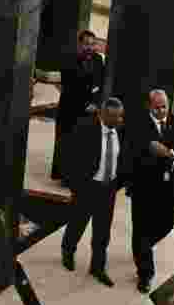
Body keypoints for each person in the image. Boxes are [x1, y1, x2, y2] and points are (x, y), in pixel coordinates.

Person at [129, 89, 174, 292]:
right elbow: (132, 149)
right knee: (141, 228)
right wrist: (149, 150)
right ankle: (145, 273)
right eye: (157, 107)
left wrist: (172, 153)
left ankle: (142, 247)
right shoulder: (138, 123)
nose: (161, 111)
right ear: (149, 106)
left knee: (170, 221)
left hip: (171, 187)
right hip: (144, 187)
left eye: (164, 107)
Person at [60, 97, 132, 287]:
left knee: (102, 231)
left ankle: (97, 267)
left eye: (121, 116)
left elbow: (125, 158)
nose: (119, 120)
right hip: (87, 186)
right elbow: (68, 156)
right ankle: (68, 251)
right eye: (115, 117)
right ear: (103, 115)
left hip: (108, 188)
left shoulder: (121, 131)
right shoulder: (85, 128)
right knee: (78, 223)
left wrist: (118, 183)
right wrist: (76, 186)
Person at [52, 30, 106, 183]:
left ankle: (78, 175)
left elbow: (100, 83)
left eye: (92, 44)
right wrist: (85, 104)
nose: (90, 47)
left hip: (90, 110)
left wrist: (95, 103)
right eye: (86, 44)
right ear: (79, 44)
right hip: (70, 108)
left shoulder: (98, 60)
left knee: (82, 146)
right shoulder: (69, 59)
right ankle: (64, 176)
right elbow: (69, 87)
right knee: (66, 143)